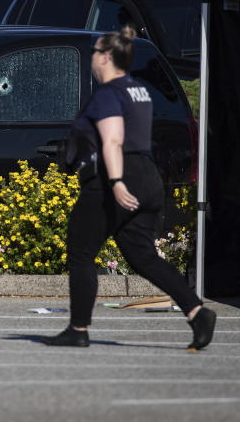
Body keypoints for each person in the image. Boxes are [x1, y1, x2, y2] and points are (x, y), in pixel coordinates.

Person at [42, 28, 217, 350]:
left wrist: (116, 182)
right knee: (143, 256)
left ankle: (78, 329)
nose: (93, 57)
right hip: (148, 175)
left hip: (115, 179)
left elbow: (113, 139)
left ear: (107, 57)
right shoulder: (139, 90)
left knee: (81, 254)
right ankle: (196, 311)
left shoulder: (109, 93)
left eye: (96, 52)